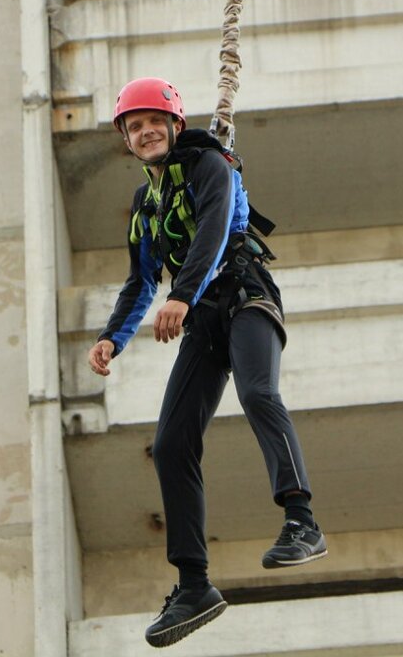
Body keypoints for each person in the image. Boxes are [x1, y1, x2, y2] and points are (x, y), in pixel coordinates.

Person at [87, 77, 326, 648]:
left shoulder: (210, 164)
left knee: (258, 393)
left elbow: (216, 230)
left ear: (174, 125)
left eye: (154, 123)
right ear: (127, 140)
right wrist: (111, 339)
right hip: (201, 318)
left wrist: (182, 294)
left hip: (245, 295)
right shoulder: (146, 206)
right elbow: (141, 279)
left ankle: (302, 521)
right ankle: (194, 585)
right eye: (134, 127)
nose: (145, 133)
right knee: (170, 443)